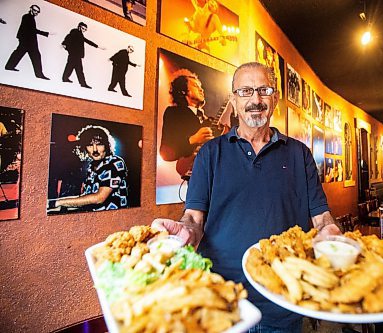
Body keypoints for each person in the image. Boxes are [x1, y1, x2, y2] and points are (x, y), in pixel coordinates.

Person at [153, 62, 341, 332]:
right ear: (233, 100)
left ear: (275, 97)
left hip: (284, 300)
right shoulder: (209, 153)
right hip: (224, 300)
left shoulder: (300, 154)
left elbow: (321, 216)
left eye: (264, 90)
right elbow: (194, 218)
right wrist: (182, 232)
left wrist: (331, 232)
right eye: (245, 91)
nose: (256, 99)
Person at [159, 69, 224, 179]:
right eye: (195, 85)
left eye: (201, 87)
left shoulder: (209, 121)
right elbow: (165, 152)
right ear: (183, 91)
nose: (201, 89)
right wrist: (193, 139)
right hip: (194, 175)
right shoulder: (174, 113)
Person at [53, 125, 129, 212]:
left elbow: (99, 198)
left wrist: (58, 202)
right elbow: (85, 198)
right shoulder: (91, 166)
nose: (95, 149)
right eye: (90, 145)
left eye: (99, 144)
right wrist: (55, 203)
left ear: (107, 145)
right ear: (84, 147)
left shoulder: (115, 163)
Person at [4, 4, 50, 80]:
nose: (36, 13)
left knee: (22, 53)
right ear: (31, 9)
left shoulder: (30, 17)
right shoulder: (27, 17)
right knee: (30, 55)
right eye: (35, 11)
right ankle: (39, 74)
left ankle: (9, 66)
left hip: (28, 41)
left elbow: (31, 30)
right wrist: (46, 33)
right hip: (26, 41)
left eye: (38, 12)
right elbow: (32, 30)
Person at [61, 22, 104, 89]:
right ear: (79, 27)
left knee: (71, 67)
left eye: (85, 29)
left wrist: (97, 46)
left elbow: (87, 41)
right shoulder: (75, 31)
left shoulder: (80, 34)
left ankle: (65, 78)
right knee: (78, 69)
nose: (84, 30)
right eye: (83, 28)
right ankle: (82, 83)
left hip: (76, 54)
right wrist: (64, 43)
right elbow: (68, 37)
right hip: (74, 54)